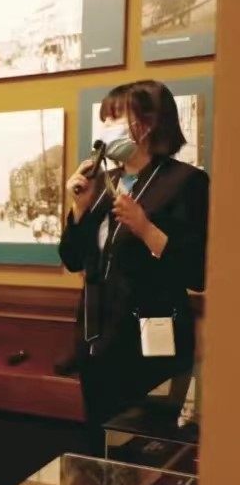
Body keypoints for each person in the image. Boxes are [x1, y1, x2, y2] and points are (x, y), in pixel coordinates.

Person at [60, 80, 209, 455]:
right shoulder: (102, 181)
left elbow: (197, 272)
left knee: (143, 453)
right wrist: (79, 208)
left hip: (150, 346)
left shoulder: (186, 181)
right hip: (95, 340)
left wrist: (145, 228)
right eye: (104, 119)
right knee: (99, 448)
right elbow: (73, 259)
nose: (105, 128)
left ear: (148, 124)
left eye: (115, 118)